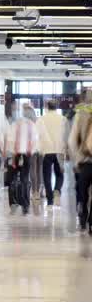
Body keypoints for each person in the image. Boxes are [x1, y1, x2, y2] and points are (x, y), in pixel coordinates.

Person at [4, 99, 39, 215]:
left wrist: (10, 156)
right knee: (25, 179)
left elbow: (10, 140)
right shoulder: (32, 125)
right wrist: (32, 152)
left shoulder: (14, 124)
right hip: (27, 155)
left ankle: (13, 202)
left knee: (13, 178)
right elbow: (35, 141)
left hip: (15, 154)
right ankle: (25, 205)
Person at [69, 89, 92, 255]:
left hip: (84, 162)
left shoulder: (80, 114)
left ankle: (83, 217)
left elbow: (72, 139)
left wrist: (75, 160)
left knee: (82, 192)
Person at [38, 98, 67, 209]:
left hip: (47, 151)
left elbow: (38, 136)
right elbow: (66, 136)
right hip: (59, 150)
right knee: (59, 174)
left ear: (47, 107)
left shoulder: (41, 119)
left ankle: (50, 201)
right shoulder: (63, 119)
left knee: (47, 175)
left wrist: (40, 149)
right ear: (57, 107)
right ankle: (57, 190)